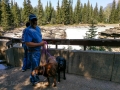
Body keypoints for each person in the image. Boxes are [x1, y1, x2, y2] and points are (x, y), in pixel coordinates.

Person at [24, 14, 46, 85]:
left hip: (38, 51)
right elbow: (27, 43)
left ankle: (33, 78)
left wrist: (42, 43)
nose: (34, 21)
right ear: (30, 21)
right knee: (34, 67)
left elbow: (40, 38)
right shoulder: (28, 30)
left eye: (35, 20)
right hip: (32, 52)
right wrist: (40, 44)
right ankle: (34, 80)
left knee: (36, 66)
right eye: (33, 20)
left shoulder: (38, 28)